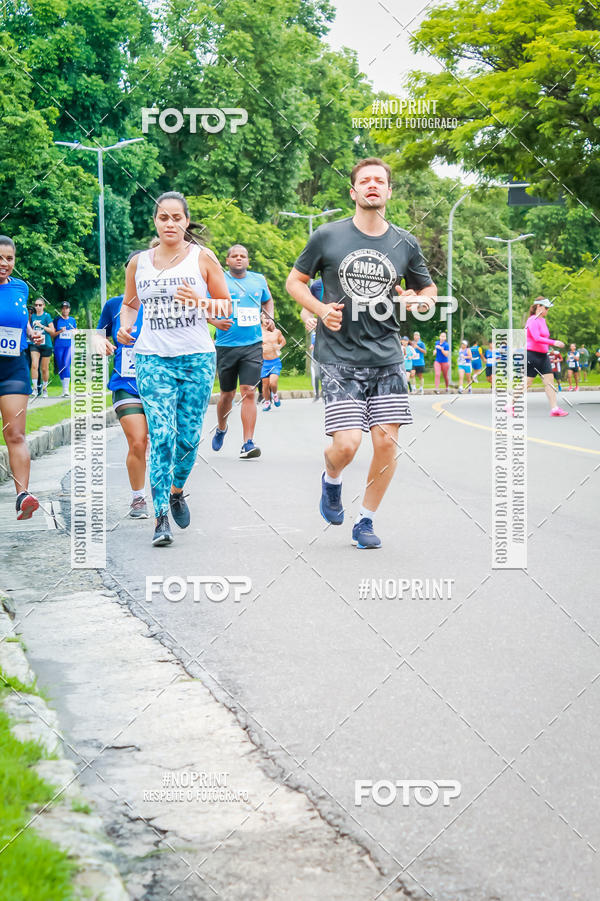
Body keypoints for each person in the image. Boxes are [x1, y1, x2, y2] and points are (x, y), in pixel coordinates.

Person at [286, 156, 437, 549]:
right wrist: (319, 310)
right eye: (365, 180)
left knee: (386, 443)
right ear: (353, 192)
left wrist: (417, 302)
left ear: (389, 191)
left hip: (387, 356)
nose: (372, 185)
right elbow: (295, 282)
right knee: (347, 445)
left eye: (379, 181)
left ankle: (365, 521)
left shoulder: (405, 242)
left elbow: (428, 293)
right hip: (340, 357)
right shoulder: (327, 236)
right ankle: (331, 479)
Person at [118, 191, 232, 546]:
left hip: (196, 357)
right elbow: (129, 305)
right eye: (163, 218)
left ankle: (177, 490)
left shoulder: (203, 258)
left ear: (186, 221)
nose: (170, 224)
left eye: (176, 218)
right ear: (155, 221)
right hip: (152, 357)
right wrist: (125, 326)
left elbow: (226, 308)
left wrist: (200, 301)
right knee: (162, 436)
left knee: (187, 439)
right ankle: (160, 518)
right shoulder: (140, 263)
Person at [97, 252, 149, 519]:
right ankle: (138, 497)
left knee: (162, 442)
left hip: (160, 384)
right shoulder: (114, 305)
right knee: (138, 442)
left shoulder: (163, 304)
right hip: (125, 382)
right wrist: (100, 342)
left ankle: (170, 494)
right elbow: (98, 334)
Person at [211, 245, 274, 459]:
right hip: (226, 346)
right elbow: (202, 305)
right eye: (234, 256)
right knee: (227, 395)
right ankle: (221, 427)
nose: (239, 259)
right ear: (227, 261)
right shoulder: (219, 279)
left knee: (248, 390)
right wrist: (215, 321)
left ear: (248, 260)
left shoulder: (259, 280)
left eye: (243, 256)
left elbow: (267, 301)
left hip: (253, 345)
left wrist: (269, 317)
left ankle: (248, 442)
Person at [0, 235, 43, 519]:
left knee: (15, 434)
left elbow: (20, 320)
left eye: (9, 258)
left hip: (14, 366)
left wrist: (31, 333)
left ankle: (22, 496)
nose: (4, 264)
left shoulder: (20, 288)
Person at [526, 296, 567, 416]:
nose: (547, 310)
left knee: (550, 381)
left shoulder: (542, 320)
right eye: (546, 308)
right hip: (532, 355)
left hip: (543, 356)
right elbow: (536, 338)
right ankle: (510, 404)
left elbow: (544, 337)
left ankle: (554, 409)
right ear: (538, 307)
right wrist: (554, 342)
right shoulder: (532, 320)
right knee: (527, 383)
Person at [29, 298, 55, 397]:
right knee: (34, 365)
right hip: (35, 344)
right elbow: (30, 329)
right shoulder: (33, 316)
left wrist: (42, 326)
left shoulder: (47, 316)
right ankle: (35, 388)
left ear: (44, 306)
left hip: (46, 344)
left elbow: (52, 331)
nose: (38, 307)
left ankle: (44, 389)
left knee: (44, 368)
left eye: (40, 305)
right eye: (36, 305)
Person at [260, 312, 286, 410]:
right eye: (264, 318)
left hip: (274, 361)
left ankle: (274, 395)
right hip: (264, 362)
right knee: (265, 384)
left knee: (273, 383)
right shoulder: (258, 331)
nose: (266, 320)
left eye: (268, 318)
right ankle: (267, 402)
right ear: (261, 319)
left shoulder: (276, 331)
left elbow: (283, 341)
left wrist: (279, 346)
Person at [53, 301, 77, 395]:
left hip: (69, 346)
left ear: (69, 309)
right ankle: (64, 390)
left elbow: (76, 331)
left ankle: (67, 390)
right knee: (61, 366)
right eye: (63, 308)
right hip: (59, 346)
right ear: (61, 309)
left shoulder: (72, 320)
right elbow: (53, 334)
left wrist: (75, 332)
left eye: (67, 308)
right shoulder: (57, 320)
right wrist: (60, 331)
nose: (65, 309)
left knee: (66, 364)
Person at [308, 279, 324, 401]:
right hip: (321, 343)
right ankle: (318, 394)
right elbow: (306, 311)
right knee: (318, 373)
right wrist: (308, 319)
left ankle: (325, 393)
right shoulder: (316, 286)